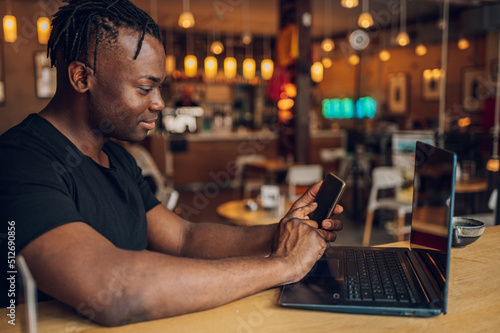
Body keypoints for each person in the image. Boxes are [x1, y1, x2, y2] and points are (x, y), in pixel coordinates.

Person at [0, 0, 343, 327]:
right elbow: (112, 288)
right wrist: (284, 267)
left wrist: (282, 232)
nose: (159, 103)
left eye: (159, 88)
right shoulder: (20, 160)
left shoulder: (117, 157)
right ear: (81, 78)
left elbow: (184, 238)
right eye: (143, 88)